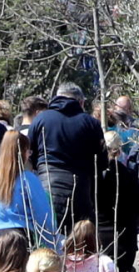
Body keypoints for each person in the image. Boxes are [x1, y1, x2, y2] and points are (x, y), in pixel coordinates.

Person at [0, 129, 56, 258]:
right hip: (17, 240)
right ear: (22, 152)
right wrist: (50, 247)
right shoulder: (28, 179)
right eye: (28, 151)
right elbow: (43, 217)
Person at [29, 83, 102, 228]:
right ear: (81, 102)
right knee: (79, 240)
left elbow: (30, 154)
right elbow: (100, 162)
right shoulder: (90, 123)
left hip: (46, 186)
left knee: (47, 239)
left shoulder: (40, 119)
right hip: (79, 190)